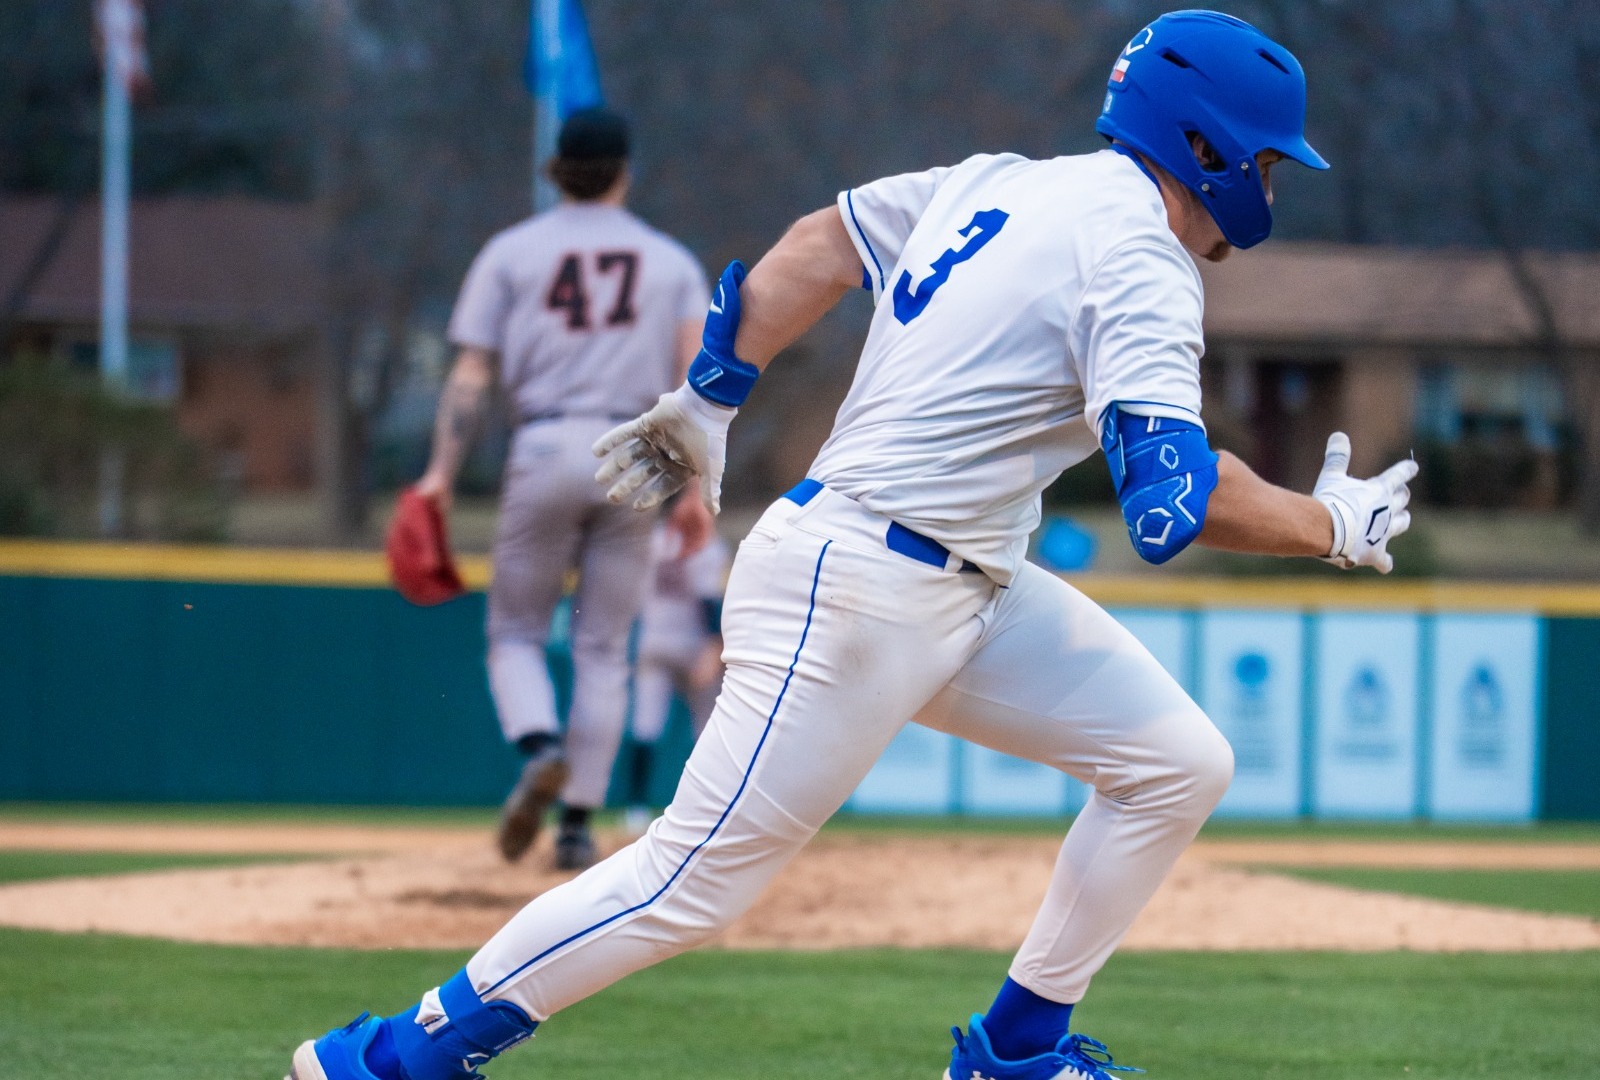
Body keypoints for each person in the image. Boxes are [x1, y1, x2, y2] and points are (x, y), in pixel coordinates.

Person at [288, 13, 1416, 1080]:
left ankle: (1014, 1050)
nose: (1270, 186)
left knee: (1178, 763)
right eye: (1266, 161)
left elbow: (818, 245)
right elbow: (1171, 504)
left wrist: (712, 393)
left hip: (962, 579)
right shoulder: (1140, 257)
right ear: (1207, 148)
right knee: (688, 885)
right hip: (859, 589)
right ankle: (385, 1059)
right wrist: (1331, 526)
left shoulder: (1000, 181)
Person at [414, 107, 712, 872]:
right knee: (605, 649)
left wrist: (441, 472)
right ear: (624, 172)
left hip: (545, 442)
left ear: (556, 171)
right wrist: (694, 487)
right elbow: (694, 384)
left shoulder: (511, 252)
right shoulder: (670, 262)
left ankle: (539, 745)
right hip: (638, 452)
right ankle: (577, 822)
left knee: (516, 632)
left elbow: (471, 374)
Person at [622, 522, 730, 833]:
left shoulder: (653, 540)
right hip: (694, 645)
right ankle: (710, 808)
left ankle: (635, 809)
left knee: (645, 728)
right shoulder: (706, 542)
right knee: (709, 732)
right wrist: (714, 643)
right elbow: (708, 599)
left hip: (652, 641)